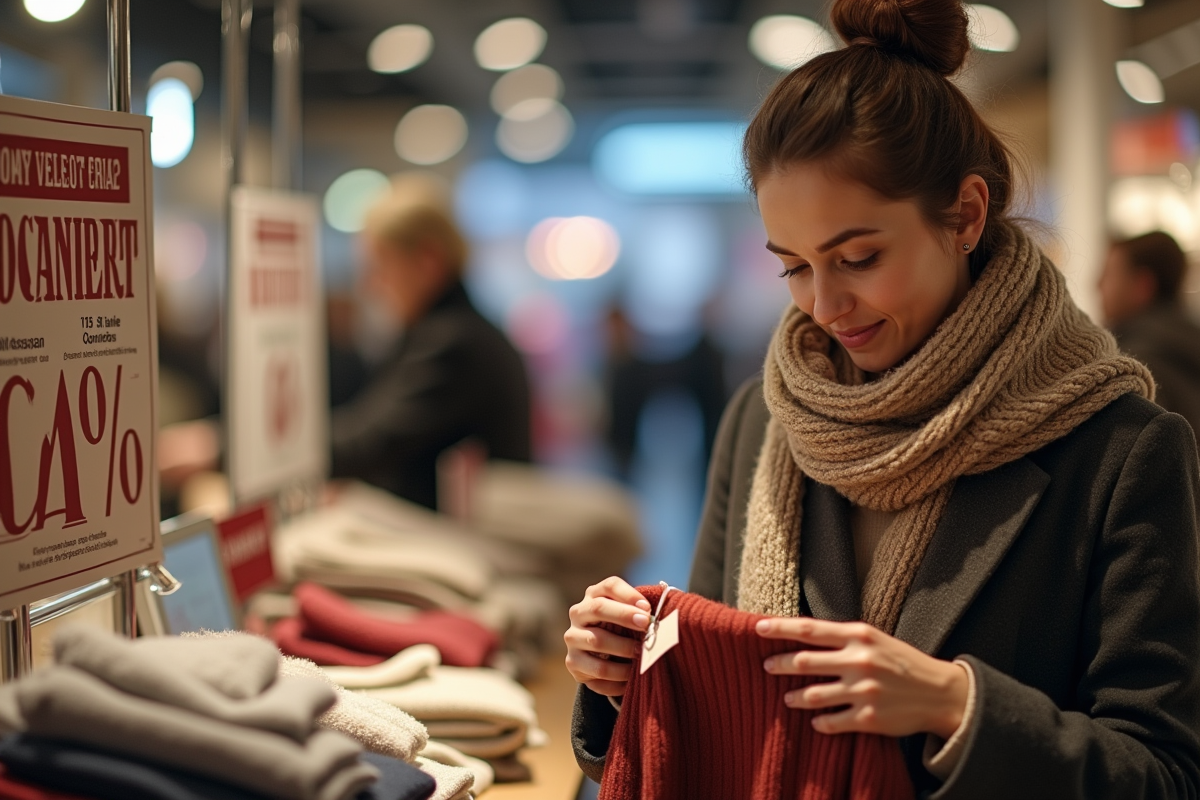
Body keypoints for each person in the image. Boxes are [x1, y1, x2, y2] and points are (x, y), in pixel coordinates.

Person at [563, 0, 1200, 797]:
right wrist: (627, 676)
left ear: (966, 215)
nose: (823, 307)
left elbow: (1168, 772)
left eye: (857, 257)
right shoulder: (765, 420)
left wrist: (953, 704)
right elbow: (723, 712)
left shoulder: (1118, 449)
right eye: (793, 266)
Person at [329, 176, 532, 510]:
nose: (369, 286)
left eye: (379, 266)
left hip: (469, 547)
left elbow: (370, 443)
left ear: (427, 259)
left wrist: (253, 451)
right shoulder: (452, 332)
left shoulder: (454, 343)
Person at [1098, 230, 1200, 437]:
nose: (1098, 284)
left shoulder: (1135, 366)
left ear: (1142, 286)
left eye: (1109, 274)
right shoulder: (1188, 341)